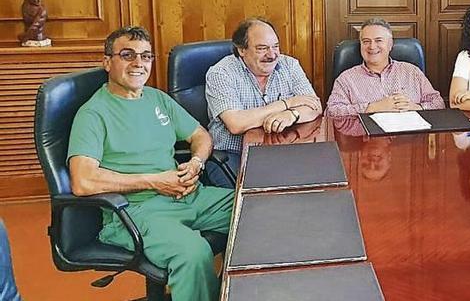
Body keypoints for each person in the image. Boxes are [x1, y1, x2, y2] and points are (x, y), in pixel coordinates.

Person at [68, 26, 233, 301]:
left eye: (146, 56)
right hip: (136, 211)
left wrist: (196, 163)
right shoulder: (93, 114)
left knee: (257, 213)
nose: (138, 63)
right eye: (127, 55)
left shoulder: (157, 99)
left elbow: (200, 136)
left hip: (188, 195)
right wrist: (155, 181)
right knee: (193, 254)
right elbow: (82, 181)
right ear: (107, 61)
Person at [205, 17, 322, 185]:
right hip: (232, 155)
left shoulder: (290, 65)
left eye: (275, 46)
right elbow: (236, 123)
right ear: (241, 50)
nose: (272, 55)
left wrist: (292, 114)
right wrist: (286, 104)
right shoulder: (221, 73)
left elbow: (314, 106)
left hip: (283, 153)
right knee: (257, 203)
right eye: (262, 48)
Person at [326, 18, 444, 116]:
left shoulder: (411, 71)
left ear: (390, 44)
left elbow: (438, 103)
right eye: (366, 41)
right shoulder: (346, 79)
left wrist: (417, 107)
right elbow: (331, 111)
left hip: (410, 138)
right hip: (366, 141)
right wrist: (372, 107)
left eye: (378, 40)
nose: (372, 46)